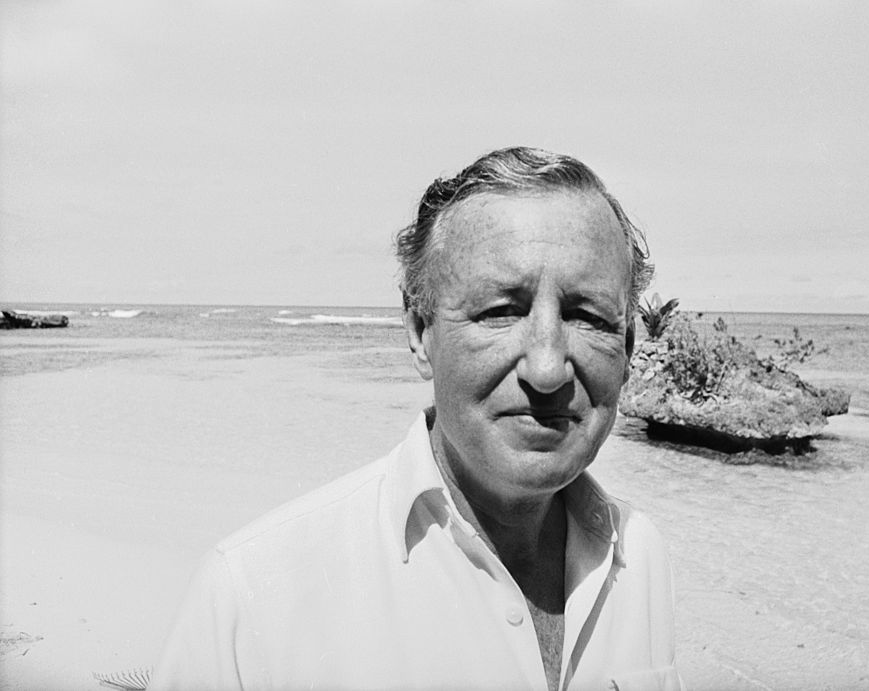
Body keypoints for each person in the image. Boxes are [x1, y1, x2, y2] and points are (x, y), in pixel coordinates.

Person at [149, 147, 681, 691]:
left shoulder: (639, 557)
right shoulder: (253, 597)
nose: (546, 369)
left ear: (628, 346)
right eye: (500, 311)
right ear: (420, 331)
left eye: (587, 316)